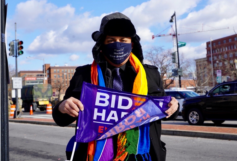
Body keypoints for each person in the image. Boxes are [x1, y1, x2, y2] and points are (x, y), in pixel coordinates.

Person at [53, 12, 179, 161]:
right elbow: (61, 119)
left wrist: (174, 106)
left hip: (142, 155)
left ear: (131, 43)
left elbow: (164, 111)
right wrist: (63, 107)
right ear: (102, 44)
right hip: (97, 155)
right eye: (111, 40)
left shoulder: (150, 74)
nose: (117, 44)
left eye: (123, 40)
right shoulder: (84, 75)